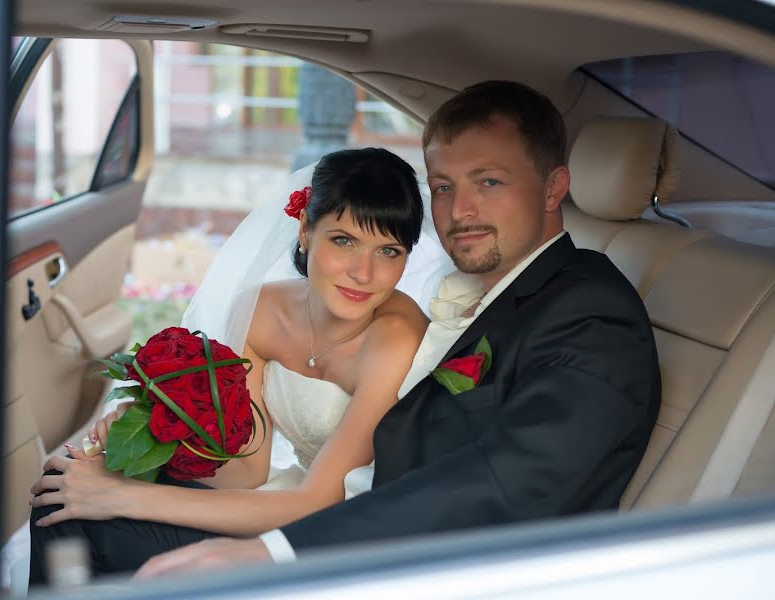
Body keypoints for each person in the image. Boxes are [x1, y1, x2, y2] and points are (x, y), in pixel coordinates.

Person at [129, 80, 662, 579]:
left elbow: (515, 478)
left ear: (553, 189)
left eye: (490, 182)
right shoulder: (487, 291)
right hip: (355, 524)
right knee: (89, 522)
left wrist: (273, 553)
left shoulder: (589, 308)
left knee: (105, 539)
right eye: (445, 187)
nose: (460, 211)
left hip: (428, 566)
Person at [28, 147, 456, 585]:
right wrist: (156, 435)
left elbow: (317, 503)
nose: (364, 273)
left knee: (81, 513)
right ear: (306, 230)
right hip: (285, 502)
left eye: (388, 251)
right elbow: (248, 470)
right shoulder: (264, 310)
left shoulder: (395, 338)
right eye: (343, 241)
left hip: (347, 532)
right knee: (60, 488)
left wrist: (121, 497)